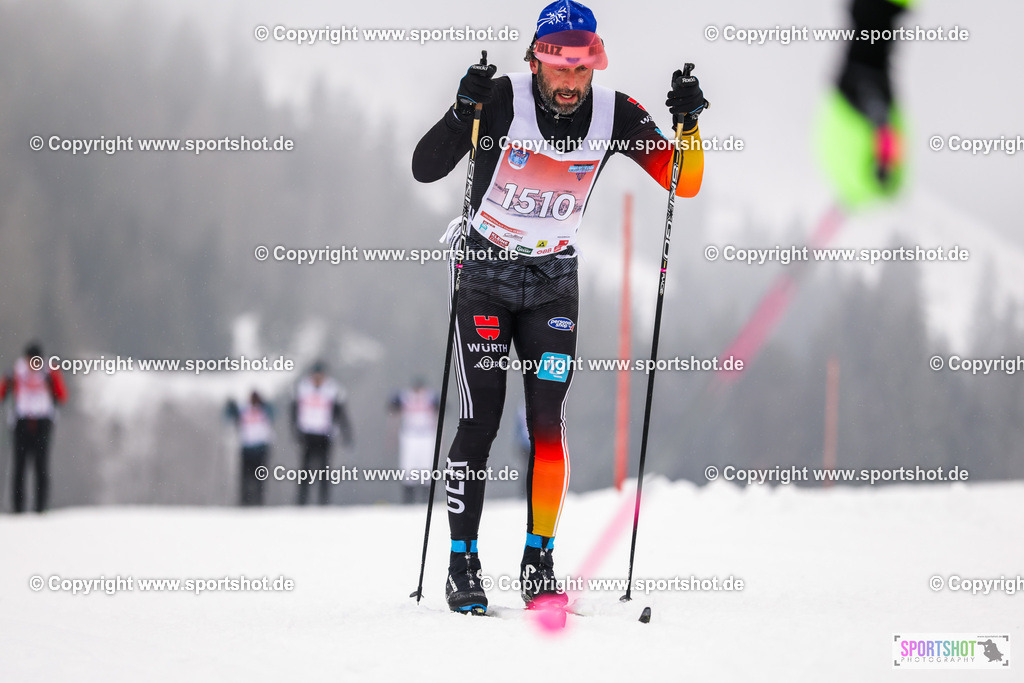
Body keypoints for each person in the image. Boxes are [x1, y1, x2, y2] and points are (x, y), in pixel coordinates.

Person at [412, 0, 707, 613]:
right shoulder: (498, 99)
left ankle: (537, 562)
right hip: (486, 277)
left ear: (595, 65)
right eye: (559, 68)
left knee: (548, 423)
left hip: (553, 282)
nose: (571, 83)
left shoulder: (616, 113)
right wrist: (460, 111)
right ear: (537, 60)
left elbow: (683, 179)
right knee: (481, 421)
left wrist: (689, 125)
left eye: (582, 70)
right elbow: (425, 167)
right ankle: (462, 562)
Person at [817, 0, 914, 208]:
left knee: (871, 29)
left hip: (861, 89)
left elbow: (886, 137)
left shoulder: (864, 180)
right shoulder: (835, 164)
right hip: (856, 87)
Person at [0, 341, 68, 513]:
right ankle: (18, 508)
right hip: (21, 422)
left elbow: (61, 395)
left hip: (43, 423)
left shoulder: (49, 371)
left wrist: (52, 380)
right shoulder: (16, 371)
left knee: (41, 466)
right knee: (19, 466)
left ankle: (41, 507)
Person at [290, 361, 352, 505]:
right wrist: (295, 430)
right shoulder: (302, 388)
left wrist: (345, 433)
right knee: (305, 469)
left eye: (320, 376)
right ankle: (301, 501)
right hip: (307, 433)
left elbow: (340, 413)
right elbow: (294, 411)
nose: (317, 379)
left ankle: (323, 501)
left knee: (324, 469)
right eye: (315, 376)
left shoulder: (332, 389)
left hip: (324, 434)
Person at [388, 377, 440, 504]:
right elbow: (391, 406)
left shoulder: (430, 396)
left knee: (426, 466)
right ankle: (408, 499)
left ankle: (426, 498)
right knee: (408, 466)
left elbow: (443, 408)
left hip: (427, 434)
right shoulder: (405, 396)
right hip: (410, 435)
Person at [226, 390, 274, 506]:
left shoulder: (264, 410)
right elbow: (229, 417)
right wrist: (230, 407)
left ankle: (259, 502)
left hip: (261, 448)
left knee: (260, 478)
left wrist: (265, 405)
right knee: (245, 478)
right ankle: (244, 502)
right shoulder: (244, 410)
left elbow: (273, 412)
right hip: (246, 448)